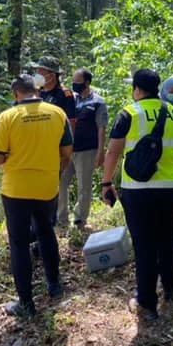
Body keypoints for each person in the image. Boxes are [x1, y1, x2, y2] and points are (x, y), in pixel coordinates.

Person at [101, 69, 173, 321]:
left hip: (138, 190)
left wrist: (107, 182)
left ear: (137, 89)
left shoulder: (129, 113)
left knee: (144, 243)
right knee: (168, 235)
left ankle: (146, 302)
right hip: (171, 186)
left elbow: (113, 152)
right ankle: (171, 287)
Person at [0, 73, 72, 319]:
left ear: (16, 94)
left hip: (16, 189)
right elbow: (67, 153)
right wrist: (53, 170)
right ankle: (54, 285)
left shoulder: (7, 117)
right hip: (47, 185)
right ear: (37, 90)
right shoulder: (57, 113)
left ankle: (26, 303)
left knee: (19, 243)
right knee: (46, 232)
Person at [31, 56, 76, 226]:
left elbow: (70, 123)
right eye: (37, 71)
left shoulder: (64, 94)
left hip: (56, 148)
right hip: (36, 148)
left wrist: (66, 149)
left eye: (41, 71)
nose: (38, 74)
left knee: (56, 186)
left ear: (52, 74)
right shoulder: (36, 93)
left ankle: (55, 220)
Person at [61, 68, 107, 229]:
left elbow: (101, 128)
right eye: (73, 81)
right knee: (60, 183)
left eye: (77, 82)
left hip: (87, 150)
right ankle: (61, 219)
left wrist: (101, 152)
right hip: (68, 150)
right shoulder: (70, 99)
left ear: (87, 82)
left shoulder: (98, 102)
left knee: (84, 187)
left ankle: (80, 220)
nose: (74, 85)